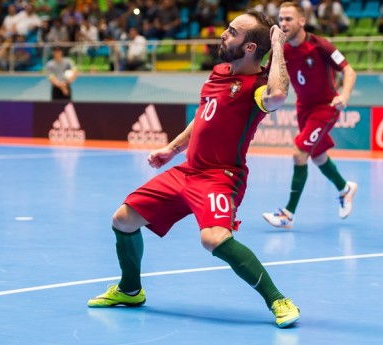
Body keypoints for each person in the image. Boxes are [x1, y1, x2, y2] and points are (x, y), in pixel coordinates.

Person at [86, 10, 300, 328]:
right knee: (124, 220)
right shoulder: (218, 73)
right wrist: (172, 149)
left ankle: (278, 300)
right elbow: (204, 116)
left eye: (232, 32)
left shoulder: (256, 86)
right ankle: (129, 290)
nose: (223, 34)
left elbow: (278, 94)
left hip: (220, 177)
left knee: (213, 238)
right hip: (187, 171)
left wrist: (279, 46)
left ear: (251, 48)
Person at [262, 2, 357, 229]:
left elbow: (349, 70)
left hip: (325, 107)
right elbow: (264, 75)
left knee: (299, 153)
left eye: (288, 19)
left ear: (302, 21)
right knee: (318, 156)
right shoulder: (281, 50)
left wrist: (344, 95)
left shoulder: (319, 45)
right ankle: (345, 188)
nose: (283, 23)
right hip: (303, 108)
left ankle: (288, 214)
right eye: (281, 19)